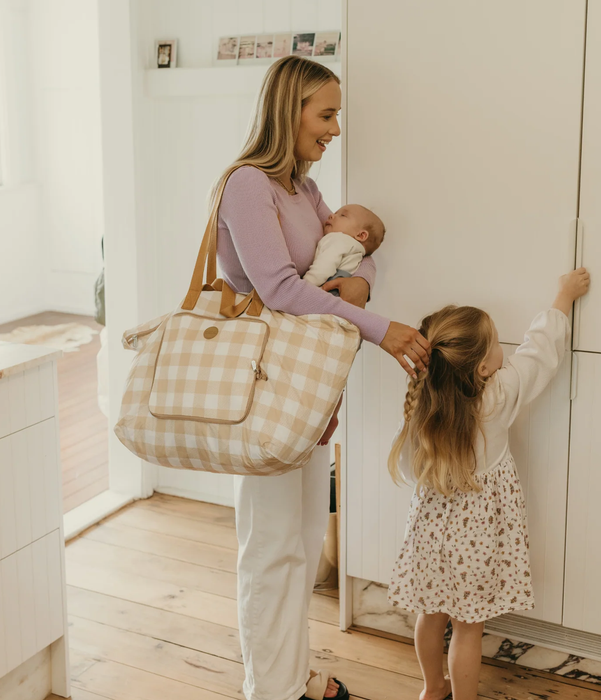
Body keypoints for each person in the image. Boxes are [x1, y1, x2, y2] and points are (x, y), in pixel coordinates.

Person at [213, 54, 430, 700]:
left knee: (302, 550)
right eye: (326, 114)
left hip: (307, 396)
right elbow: (279, 290)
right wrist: (376, 324)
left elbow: (353, 253)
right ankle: (270, 691)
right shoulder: (247, 184)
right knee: (271, 553)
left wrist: (362, 281)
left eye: (337, 114)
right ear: (290, 110)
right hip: (266, 394)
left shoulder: (304, 190)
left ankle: (291, 676)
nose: (335, 129)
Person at [386, 267, 590, 700]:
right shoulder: (499, 394)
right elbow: (539, 353)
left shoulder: (423, 401)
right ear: (482, 365)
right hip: (477, 540)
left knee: (430, 616)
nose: (504, 349)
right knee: (468, 628)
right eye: (497, 343)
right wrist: (563, 297)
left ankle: (432, 687)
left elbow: (408, 467)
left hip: (429, 537)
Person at [303, 204, 386, 294]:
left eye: (343, 215)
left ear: (361, 235)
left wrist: (305, 285)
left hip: (326, 292)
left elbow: (323, 269)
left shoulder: (338, 239)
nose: (331, 215)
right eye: (335, 213)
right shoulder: (356, 250)